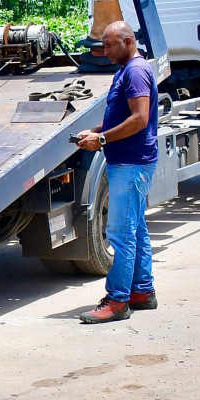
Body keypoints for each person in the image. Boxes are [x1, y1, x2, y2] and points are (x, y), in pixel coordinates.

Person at [75, 21, 156, 324]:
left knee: (120, 233)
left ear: (128, 41)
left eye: (110, 45)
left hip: (131, 163)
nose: (104, 51)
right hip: (130, 161)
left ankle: (118, 300)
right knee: (136, 229)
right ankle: (142, 291)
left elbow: (139, 118)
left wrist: (103, 139)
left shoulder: (135, 71)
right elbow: (122, 114)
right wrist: (96, 131)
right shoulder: (127, 70)